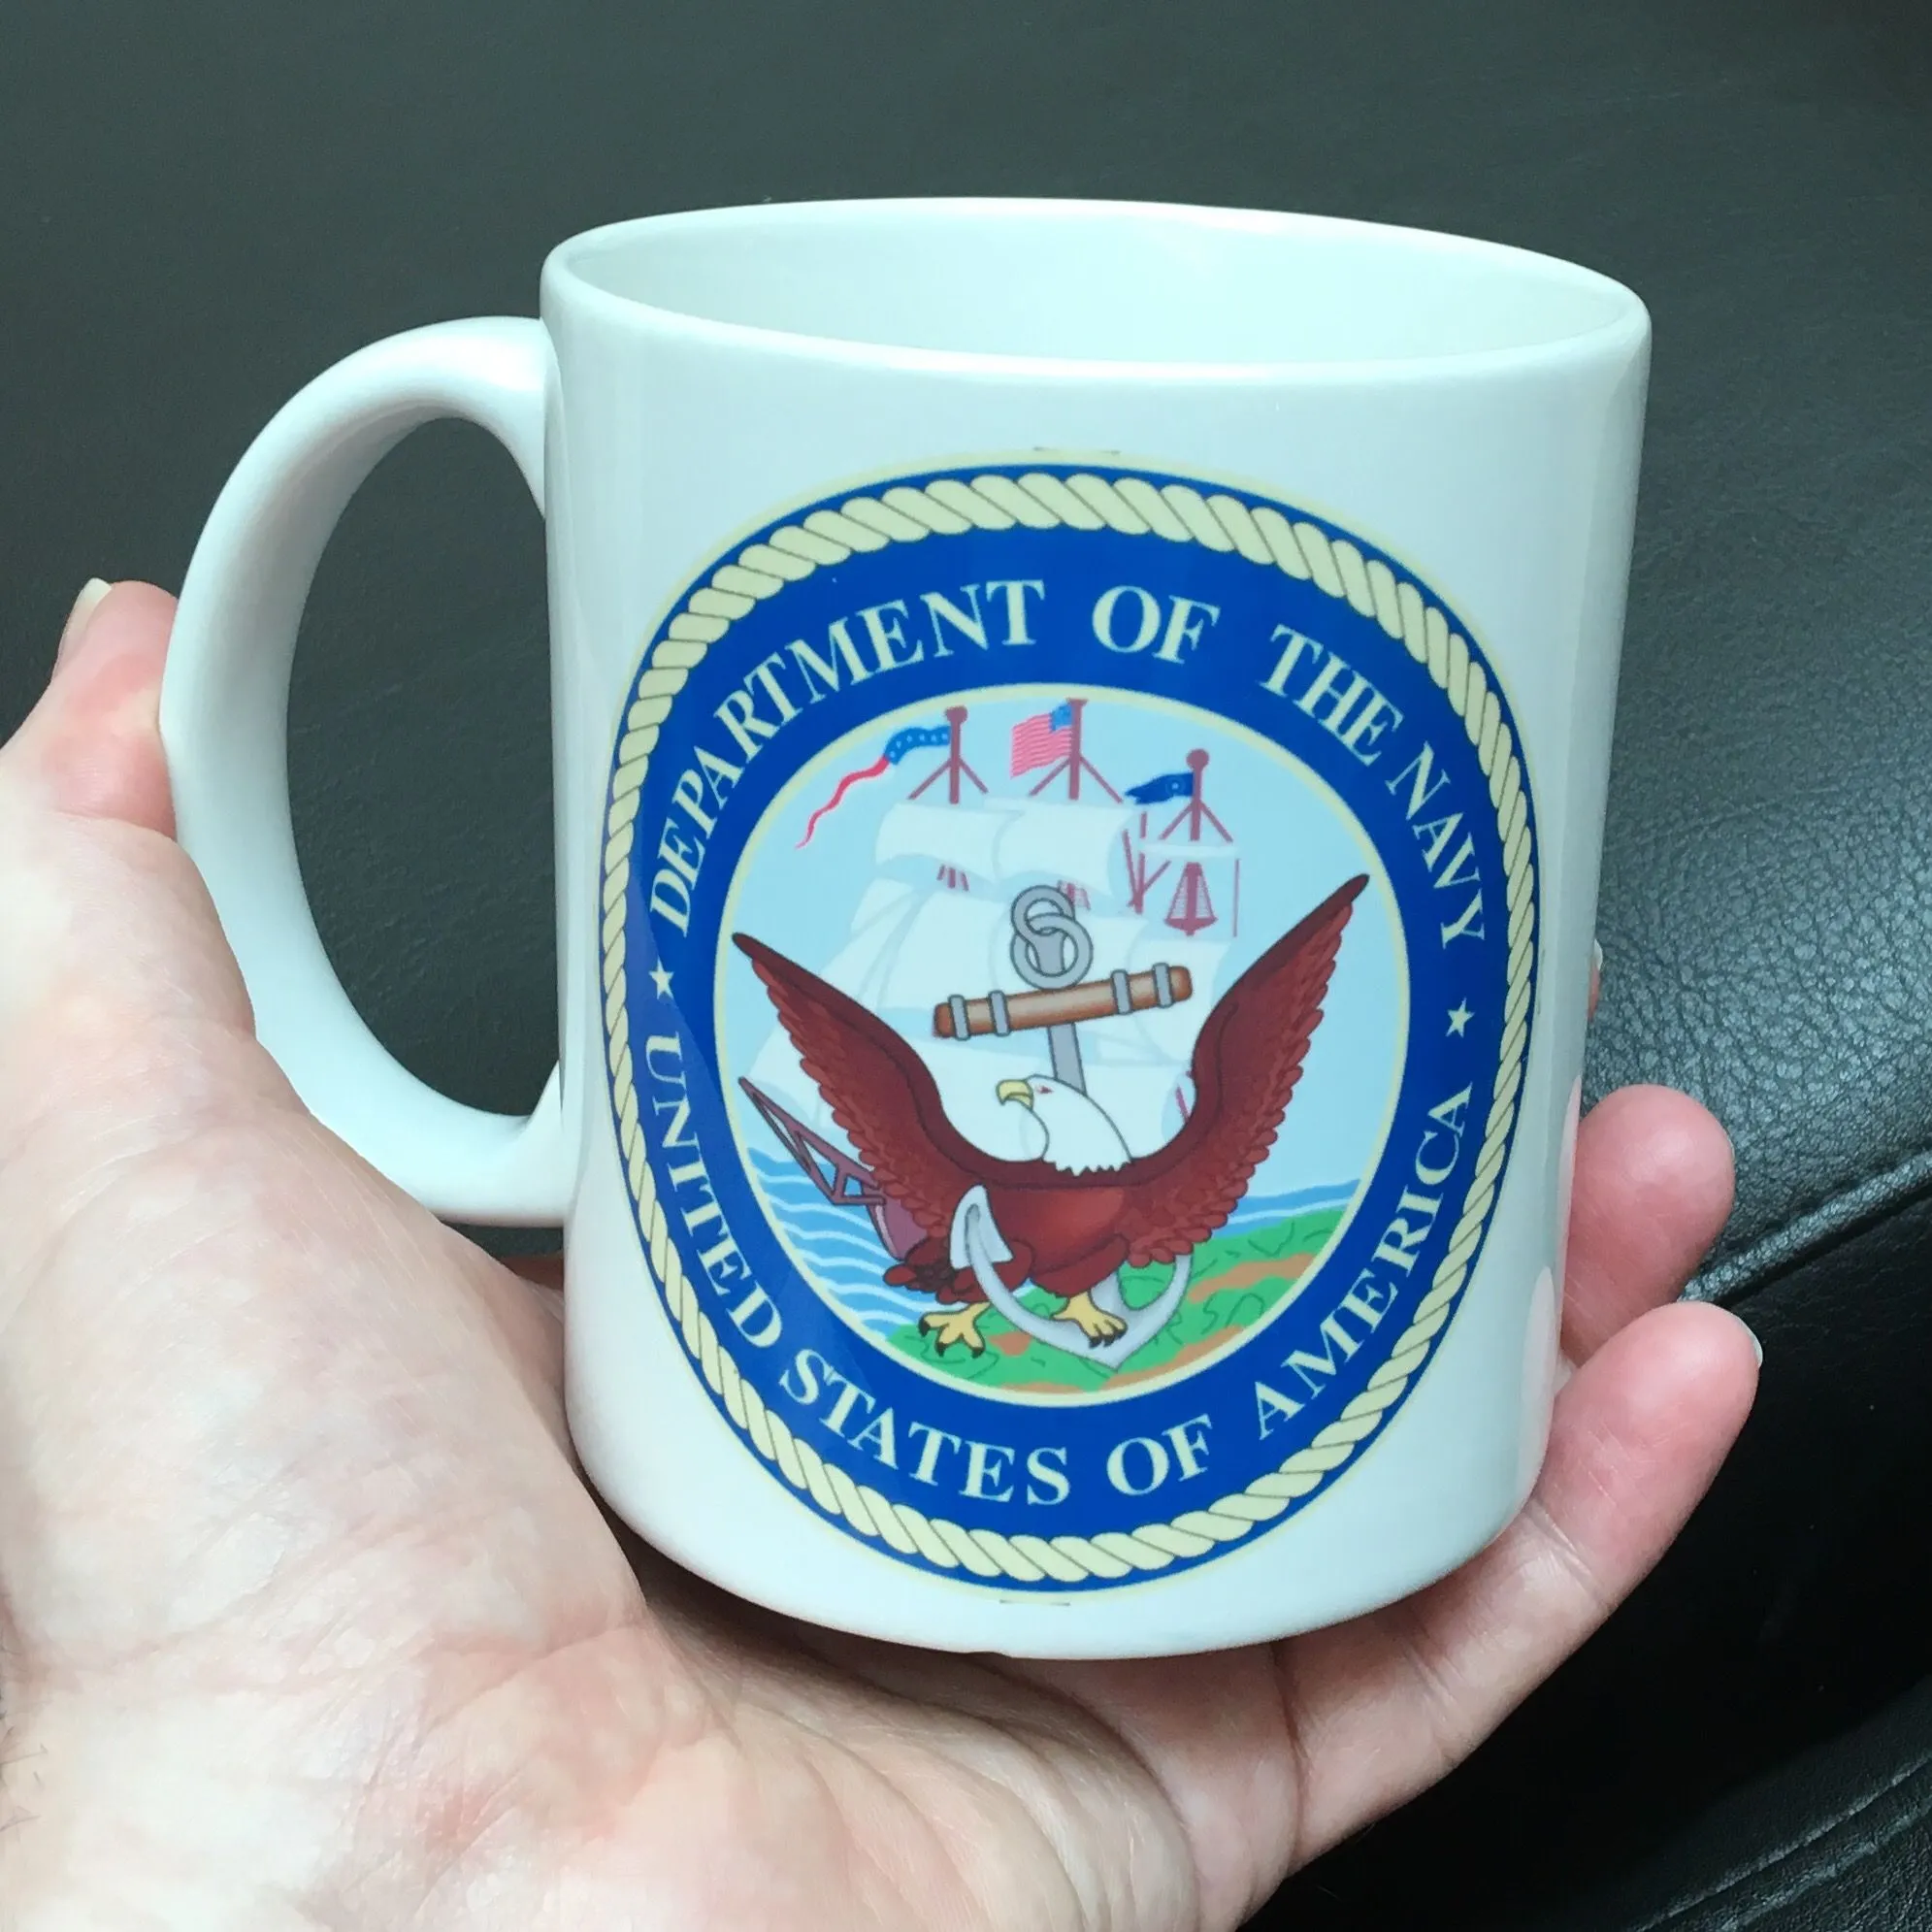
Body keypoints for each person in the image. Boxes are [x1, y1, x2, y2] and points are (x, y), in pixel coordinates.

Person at [0, 580, 1758, 1928]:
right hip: (750, 1546)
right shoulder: (955, 1113)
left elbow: (1209, 1057)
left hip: (1098, 1408)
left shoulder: (1137, 1114)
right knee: (924, 1112)